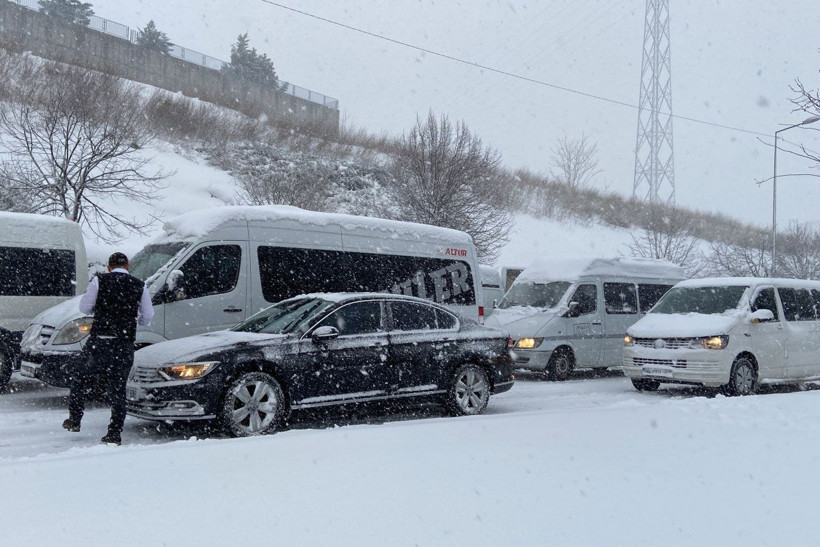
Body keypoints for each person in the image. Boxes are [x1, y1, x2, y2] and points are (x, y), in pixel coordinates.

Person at [62, 252, 154, 445]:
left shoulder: (99, 281)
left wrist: (102, 308)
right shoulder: (140, 285)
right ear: (127, 266)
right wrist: (131, 315)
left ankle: (75, 419)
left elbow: (85, 308)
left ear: (109, 267)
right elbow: (147, 317)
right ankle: (114, 433)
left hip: (100, 342)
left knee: (80, 377)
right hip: (124, 343)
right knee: (118, 389)